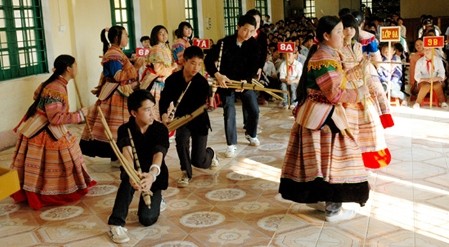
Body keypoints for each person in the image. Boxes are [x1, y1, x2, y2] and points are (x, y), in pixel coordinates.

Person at [279, 16, 370, 223]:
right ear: (326, 36)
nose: (344, 34)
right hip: (324, 117)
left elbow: (337, 79)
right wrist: (360, 92)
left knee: (320, 163)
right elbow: (334, 94)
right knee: (335, 161)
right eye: (339, 31)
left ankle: (322, 201)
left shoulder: (327, 54)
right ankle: (333, 208)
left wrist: (357, 69)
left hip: (317, 115)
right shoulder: (324, 58)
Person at [10, 55, 96, 210]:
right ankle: (51, 193)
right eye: (75, 65)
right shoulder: (56, 88)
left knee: (69, 152)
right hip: (43, 131)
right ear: (69, 68)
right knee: (64, 155)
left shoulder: (53, 83)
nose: (77, 67)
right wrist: (80, 115)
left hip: (37, 126)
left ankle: (37, 190)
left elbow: (37, 95)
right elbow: (55, 118)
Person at [107, 89, 169, 244]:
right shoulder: (124, 129)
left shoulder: (160, 129)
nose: (152, 114)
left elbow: (159, 154)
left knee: (147, 219)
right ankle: (115, 223)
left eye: (153, 108)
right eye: (147, 110)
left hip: (154, 175)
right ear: (134, 113)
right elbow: (126, 153)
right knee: (127, 181)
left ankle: (158, 198)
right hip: (133, 170)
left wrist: (152, 175)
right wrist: (132, 173)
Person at [80, 26, 144, 165]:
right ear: (117, 38)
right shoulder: (113, 54)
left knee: (116, 125)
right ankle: (117, 156)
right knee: (117, 126)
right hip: (116, 94)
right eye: (125, 35)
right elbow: (118, 76)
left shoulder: (116, 52)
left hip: (118, 91)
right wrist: (136, 67)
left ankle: (119, 156)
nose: (127, 38)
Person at [159, 46, 219, 188]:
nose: (196, 67)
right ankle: (186, 172)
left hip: (199, 120)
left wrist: (209, 104)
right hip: (182, 119)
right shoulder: (172, 80)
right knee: (181, 140)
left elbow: (201, 105)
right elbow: (164, 100)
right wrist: (164, 115)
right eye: (193, 63)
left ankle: (210, 154)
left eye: (199, 64)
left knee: (199, 161)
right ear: (184, 61)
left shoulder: (202, 83)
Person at [204, 14, 261, 158]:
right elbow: (209, 61)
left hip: (244, 82)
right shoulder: (225, 42)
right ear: (238, 27)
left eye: (251, 31)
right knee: (229, 112)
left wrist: (245, 81)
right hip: (226, 82)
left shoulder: (253, 44)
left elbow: (254, 66)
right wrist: (217, 75)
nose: (248, 34)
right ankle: (231, 144)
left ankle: (251, 133)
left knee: (254, 109)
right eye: (245, 30)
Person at [141, 25, 177, 120]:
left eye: (165, 33)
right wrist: (172, 68)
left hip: (166, 80)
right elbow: (158, 69)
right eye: (161, 33)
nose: (164, 35)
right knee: (158, 108)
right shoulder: (156, 49)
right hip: (158, 83)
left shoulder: (166, 48)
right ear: (155, 36)